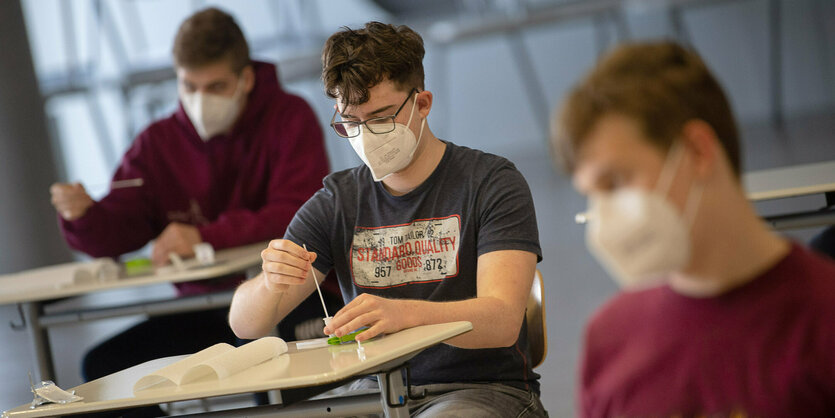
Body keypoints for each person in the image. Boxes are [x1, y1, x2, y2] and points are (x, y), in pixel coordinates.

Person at [229, 22, 548, 417]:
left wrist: (404, 315)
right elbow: (245, 324)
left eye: (380, 118)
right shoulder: (337, 201)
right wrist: (270, 281)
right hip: (370, 393)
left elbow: (501, 320)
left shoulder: (490, 183)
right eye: (352, 122)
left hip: (480, 390)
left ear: (423, 103)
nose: (366, 135)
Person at [48, 7, 339, 388]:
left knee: (261, 351)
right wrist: (83, 217)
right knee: (104, 368)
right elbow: (117, 231)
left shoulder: (290, 117)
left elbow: (299, 214)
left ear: (246, 78)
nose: (200, 100)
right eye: (189, 87)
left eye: (215, 87)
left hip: (288, 297)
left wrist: (204, 236)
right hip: (203, 307)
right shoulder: (157, 142)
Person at [552, 41, 835, 417]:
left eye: (616, 183)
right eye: (591, 194)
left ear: (698, 151)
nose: (603, 216)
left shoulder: (821, 323)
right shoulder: (610, 339)